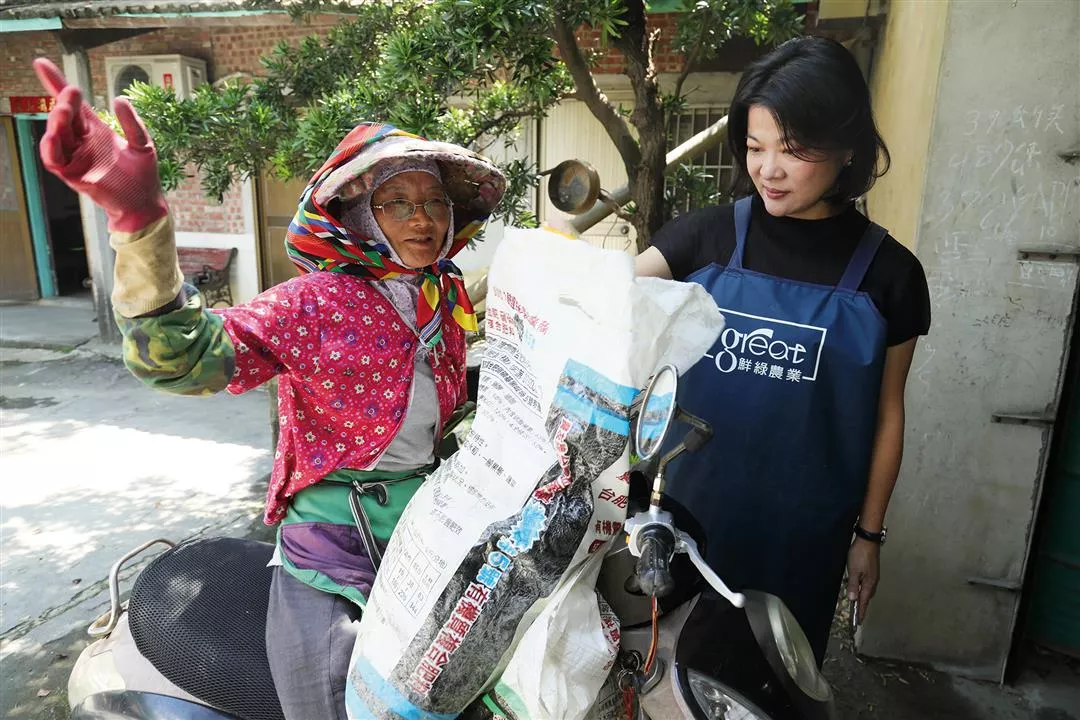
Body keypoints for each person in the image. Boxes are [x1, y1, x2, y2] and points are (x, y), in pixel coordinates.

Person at [31, 58, 505, 717]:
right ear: (357, 216)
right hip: (330, 542)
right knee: (332, 700)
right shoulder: (314, 302)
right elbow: (185, 357)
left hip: (427, 525)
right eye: (397, 201)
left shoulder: (442, 296)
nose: (421, 218)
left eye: (433, 202)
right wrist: (139, 220)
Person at [635, 37, 931, 665]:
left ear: (847, 148)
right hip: (687, 532)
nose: (768, 169)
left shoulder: (891, 275)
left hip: (804, 543)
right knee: (670, 679)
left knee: (772, 682)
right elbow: (602, 300)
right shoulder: (704, 238)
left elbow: (888, 414)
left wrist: (869, 535)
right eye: (754, 146)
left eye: (792, 150)